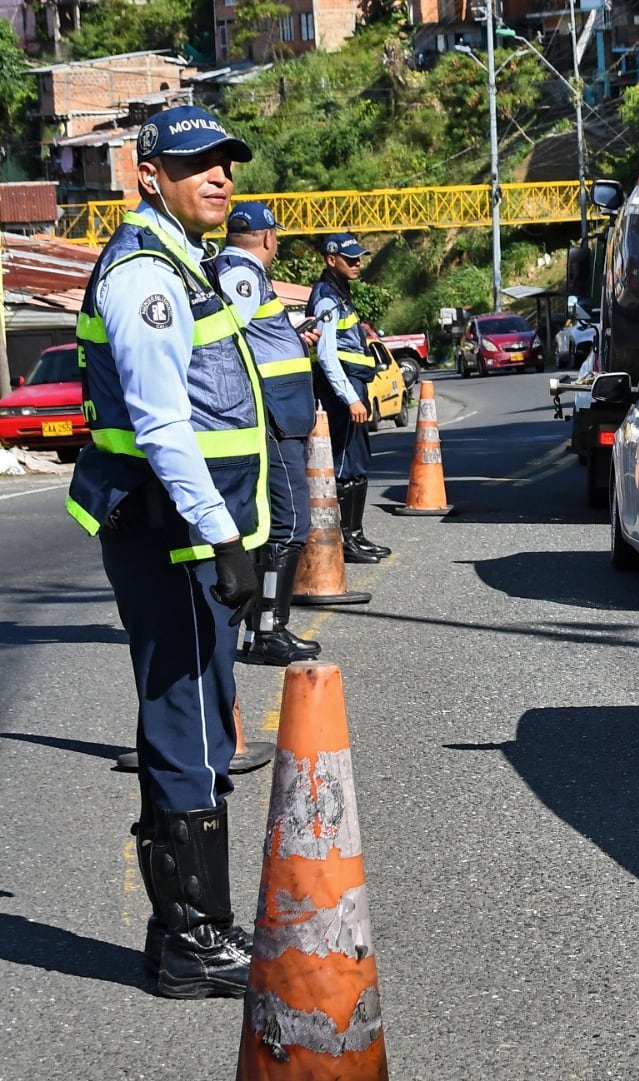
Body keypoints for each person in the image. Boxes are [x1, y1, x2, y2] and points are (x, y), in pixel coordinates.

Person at [64, 104, 261, 999]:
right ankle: (194, 941)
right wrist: (223, 538)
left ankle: (182, 925)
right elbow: (163, 423)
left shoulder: (184, 261)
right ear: (149, 175)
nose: (218, 175)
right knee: (184, 727)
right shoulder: (147, 275)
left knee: (189, 724)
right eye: (195, 163)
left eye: (225, 161)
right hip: (173, 532)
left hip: (185, 530)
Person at [216, 201, 322, 665]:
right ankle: (268, 631)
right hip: (274, 416)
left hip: (278, 414)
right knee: (289, 524)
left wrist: (293, 338)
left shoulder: (241, 274)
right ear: (267, 238)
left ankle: (265, 627)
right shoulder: (242, 275)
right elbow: (227, 338)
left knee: (283, 525)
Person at [308, 232, 389, 564]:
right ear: (331, 260)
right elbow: (326, 355)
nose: (357, 264)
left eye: (359, 258)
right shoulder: (327, 297)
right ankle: (347, 540)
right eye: (350, 259)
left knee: (357, 464)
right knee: (344, 466)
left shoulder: (341, 293)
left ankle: (356, 535)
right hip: (341, 394)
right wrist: (350, 398)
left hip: (354, 388)